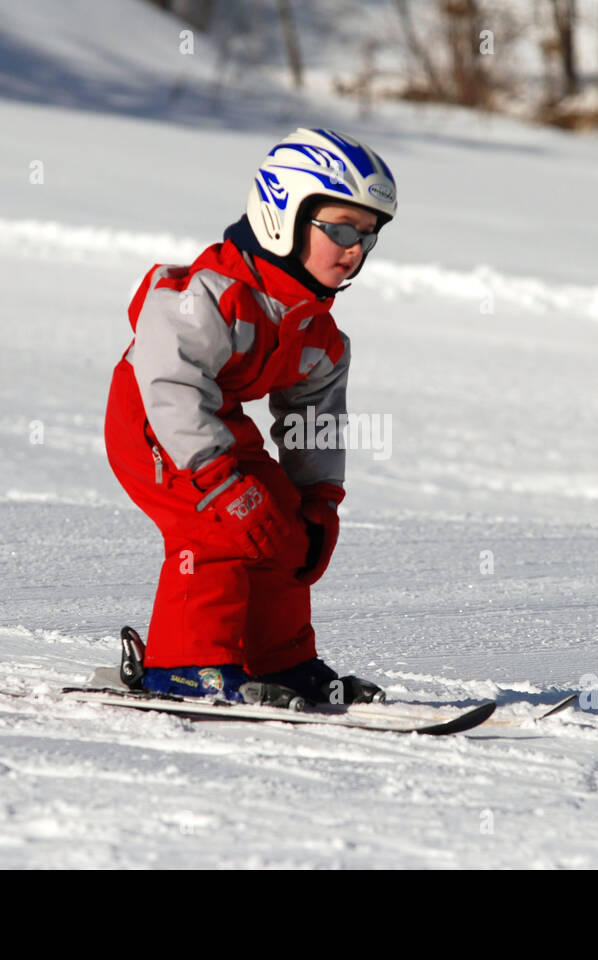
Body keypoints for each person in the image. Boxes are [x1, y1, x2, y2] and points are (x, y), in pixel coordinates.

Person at [103, 128, 397, 705]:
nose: (355, 249)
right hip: (155, 422)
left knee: (279, 521)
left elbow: (315, 420)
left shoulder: (315, 331)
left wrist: (317, 503)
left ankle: (279, 660)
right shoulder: (213, 295)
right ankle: (185, 665)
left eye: (368, 235)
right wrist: (218, 480)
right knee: (217, 525)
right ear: (282, 213)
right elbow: (170, 378)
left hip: (214, 425)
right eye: (339, 229)